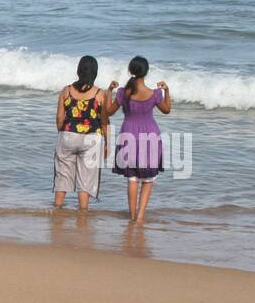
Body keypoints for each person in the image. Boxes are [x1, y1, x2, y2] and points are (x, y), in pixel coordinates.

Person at [105, 56, 171, 223]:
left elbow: (108, 111)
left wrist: (109, 91)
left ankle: (132, 216)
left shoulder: (122, 93)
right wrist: (167, 91)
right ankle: (140, 217)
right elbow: (167, 110)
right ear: (146, 72)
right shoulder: (154, 94)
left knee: (132, 178)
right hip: (150, 136)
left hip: (128, 134)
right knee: (148, 180)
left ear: (131, 70)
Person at [53, 55, 107, 210]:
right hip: (91, 139)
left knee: (62, 176)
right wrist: (107, 143)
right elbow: (104, 122)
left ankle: (57, 210)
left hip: (68, 135)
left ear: (78, 71)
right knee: (86, 179)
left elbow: (59, 117)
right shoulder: (100, 94)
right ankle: (83, 213)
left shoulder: (67, 91)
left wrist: (62, 133)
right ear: (94, 73)